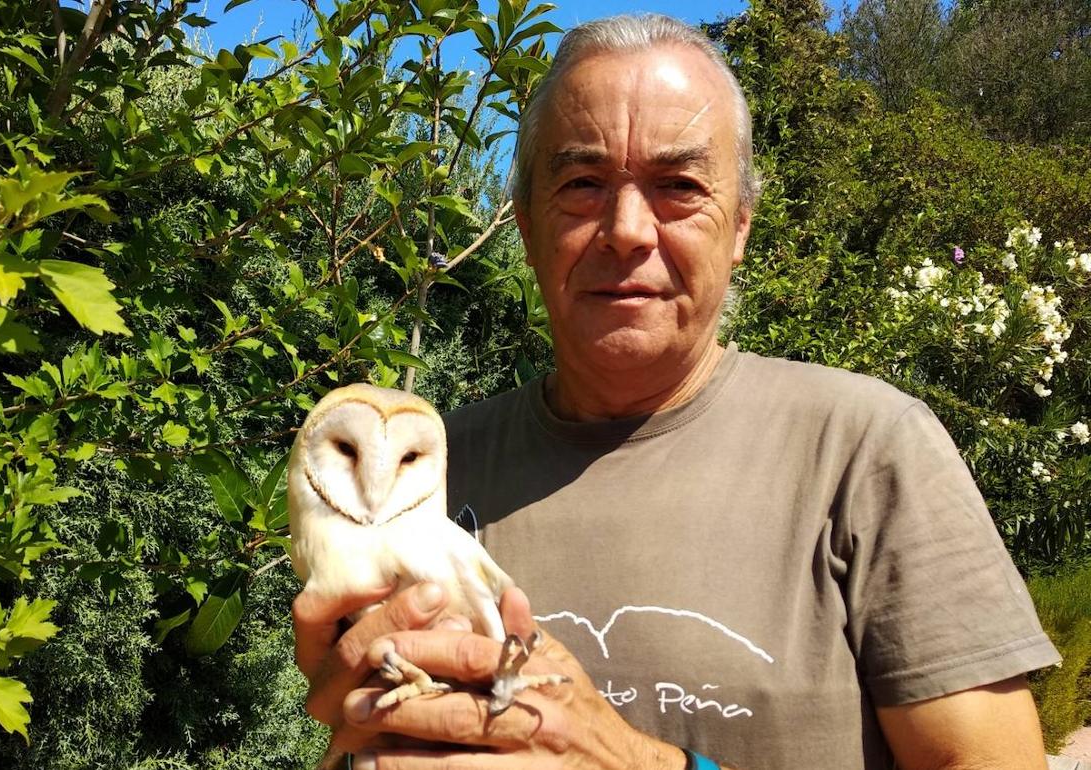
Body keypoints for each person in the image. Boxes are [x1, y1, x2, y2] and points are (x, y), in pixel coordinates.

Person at [292, 14, 1060, 770]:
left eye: (679, 185)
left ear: (740, 228)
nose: (626, 229)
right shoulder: (428, 467)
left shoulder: (864, 449)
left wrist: (629, 763)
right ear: (526, 224)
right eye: (584, 183)